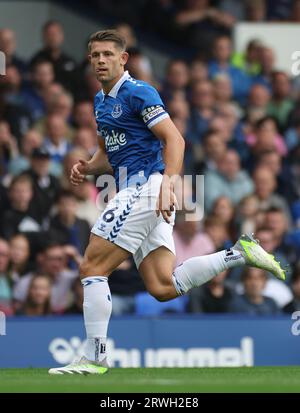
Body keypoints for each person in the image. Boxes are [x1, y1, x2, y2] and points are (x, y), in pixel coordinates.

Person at [48, 29, 286, 376]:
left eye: (107, 54)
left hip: (146, 187)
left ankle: (95, 356)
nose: (100, 60)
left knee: (92, 268)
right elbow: (109, 152)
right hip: (142, 189)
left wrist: (169, 184)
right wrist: (87, 167)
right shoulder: (100, 101)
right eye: (95, 55)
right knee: (162, 286)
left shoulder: (139, 91)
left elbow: (174, 139)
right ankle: (239, 253)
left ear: (123, 58)